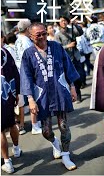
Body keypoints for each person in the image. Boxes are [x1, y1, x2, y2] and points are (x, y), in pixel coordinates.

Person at [20, 23, 80, 171]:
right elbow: (26, 77)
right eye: (38, 35)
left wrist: (72, 87)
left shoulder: (56, 47)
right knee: (46, 131)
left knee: (64, 126)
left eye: (44, 33)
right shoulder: (28, 54)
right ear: (31, 37)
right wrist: (30, 99)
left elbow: (68, 66)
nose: (42, 37)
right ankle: (55, 144)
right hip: (42, 95)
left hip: (60, 90)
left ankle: (66, 155)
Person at [15, 19, 41, 135]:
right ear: (27, 29)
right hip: (29, 72)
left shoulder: (18, 40)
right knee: (33, 98)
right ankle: (35, 125)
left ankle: (30, 123)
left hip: (21, 72)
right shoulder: (26, 41)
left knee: (27, 100)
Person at [1, 45, 22, 174]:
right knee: (11, 123)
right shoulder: (5, 52)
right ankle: (16, 148)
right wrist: (17, 92)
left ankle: (7, 162)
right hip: (8, 92)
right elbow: (15, 72)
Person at [55, 16, 85, 103]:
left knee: (79, 76)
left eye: (65, 20)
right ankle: (76, 95)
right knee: (71, 78)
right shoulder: (58, 35)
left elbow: (80, 32)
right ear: (59, 23)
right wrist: (68, 46)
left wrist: (75, 25)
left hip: (76, 56)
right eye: (62, 21)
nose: (64, 22)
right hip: (67, 58)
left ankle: (78, 92)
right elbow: (57, 48)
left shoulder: (71, 30)